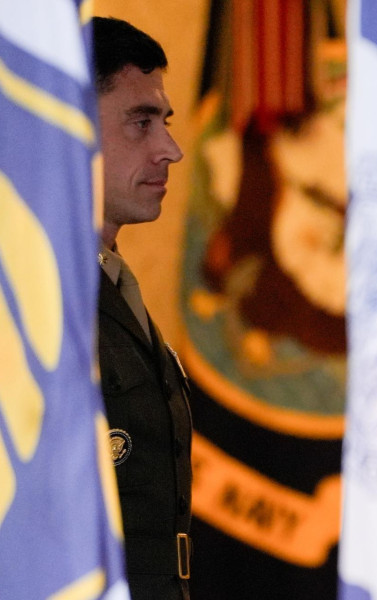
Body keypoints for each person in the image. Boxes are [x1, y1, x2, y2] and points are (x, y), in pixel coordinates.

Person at [92, 16, 192, 600]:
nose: (171, 150)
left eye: (166, 122)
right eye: (141, 122)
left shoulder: (114, 285)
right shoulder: (28, 302)